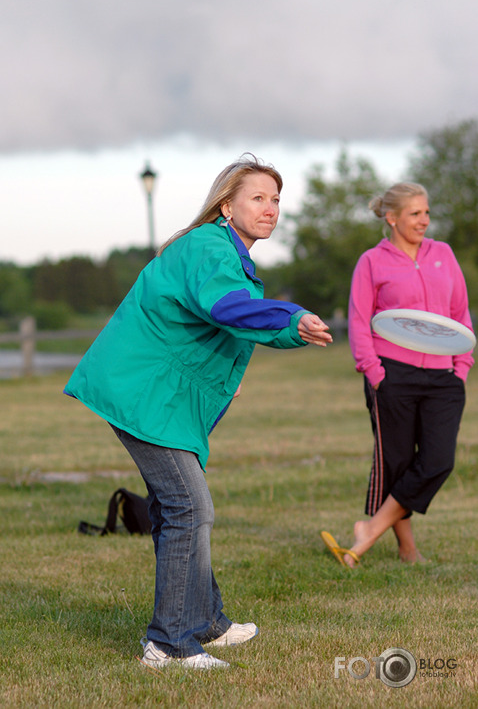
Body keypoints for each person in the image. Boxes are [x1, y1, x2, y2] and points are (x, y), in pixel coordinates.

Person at [64, 154, 333, 669]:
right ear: (227, 206)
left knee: (176, 507)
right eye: (258, 197)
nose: (271, 208)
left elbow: (238, 319)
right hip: (143, 394)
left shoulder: (225, 253)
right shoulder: (209, 247)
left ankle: (207, 621)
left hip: (162, 400)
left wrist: (291, 327)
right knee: (191, 507)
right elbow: (227, 306)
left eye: (276, 199)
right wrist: (292, 314)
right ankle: (167, 643)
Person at [321, 182, 474, 569]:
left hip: (444, 376)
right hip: (392, 374)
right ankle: (407, 549)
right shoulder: (372, 261)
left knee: (438, 461)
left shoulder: (443, 254)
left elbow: (460, 314)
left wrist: (461, 368)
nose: (424, 221)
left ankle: (368, 530)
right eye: (415, 214)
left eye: (426, 212)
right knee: (399, 461)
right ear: (392, 218)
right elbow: (359, 321)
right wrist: (375, 374)